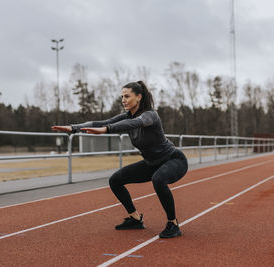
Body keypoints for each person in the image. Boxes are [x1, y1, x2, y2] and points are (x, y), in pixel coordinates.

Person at [51, 81, 188, 238]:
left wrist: (108, 129)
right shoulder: (126, 116)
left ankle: (173, 223)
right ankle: (135, 218)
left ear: (139, 97)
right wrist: (73, 128)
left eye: (127, 96)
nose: (123, 100)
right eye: (122, 96)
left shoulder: (150, 115)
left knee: (158, 179)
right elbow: (102, 123)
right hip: (152, 163)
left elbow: (134, 123)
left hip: (173, 160)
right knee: (115, 180)